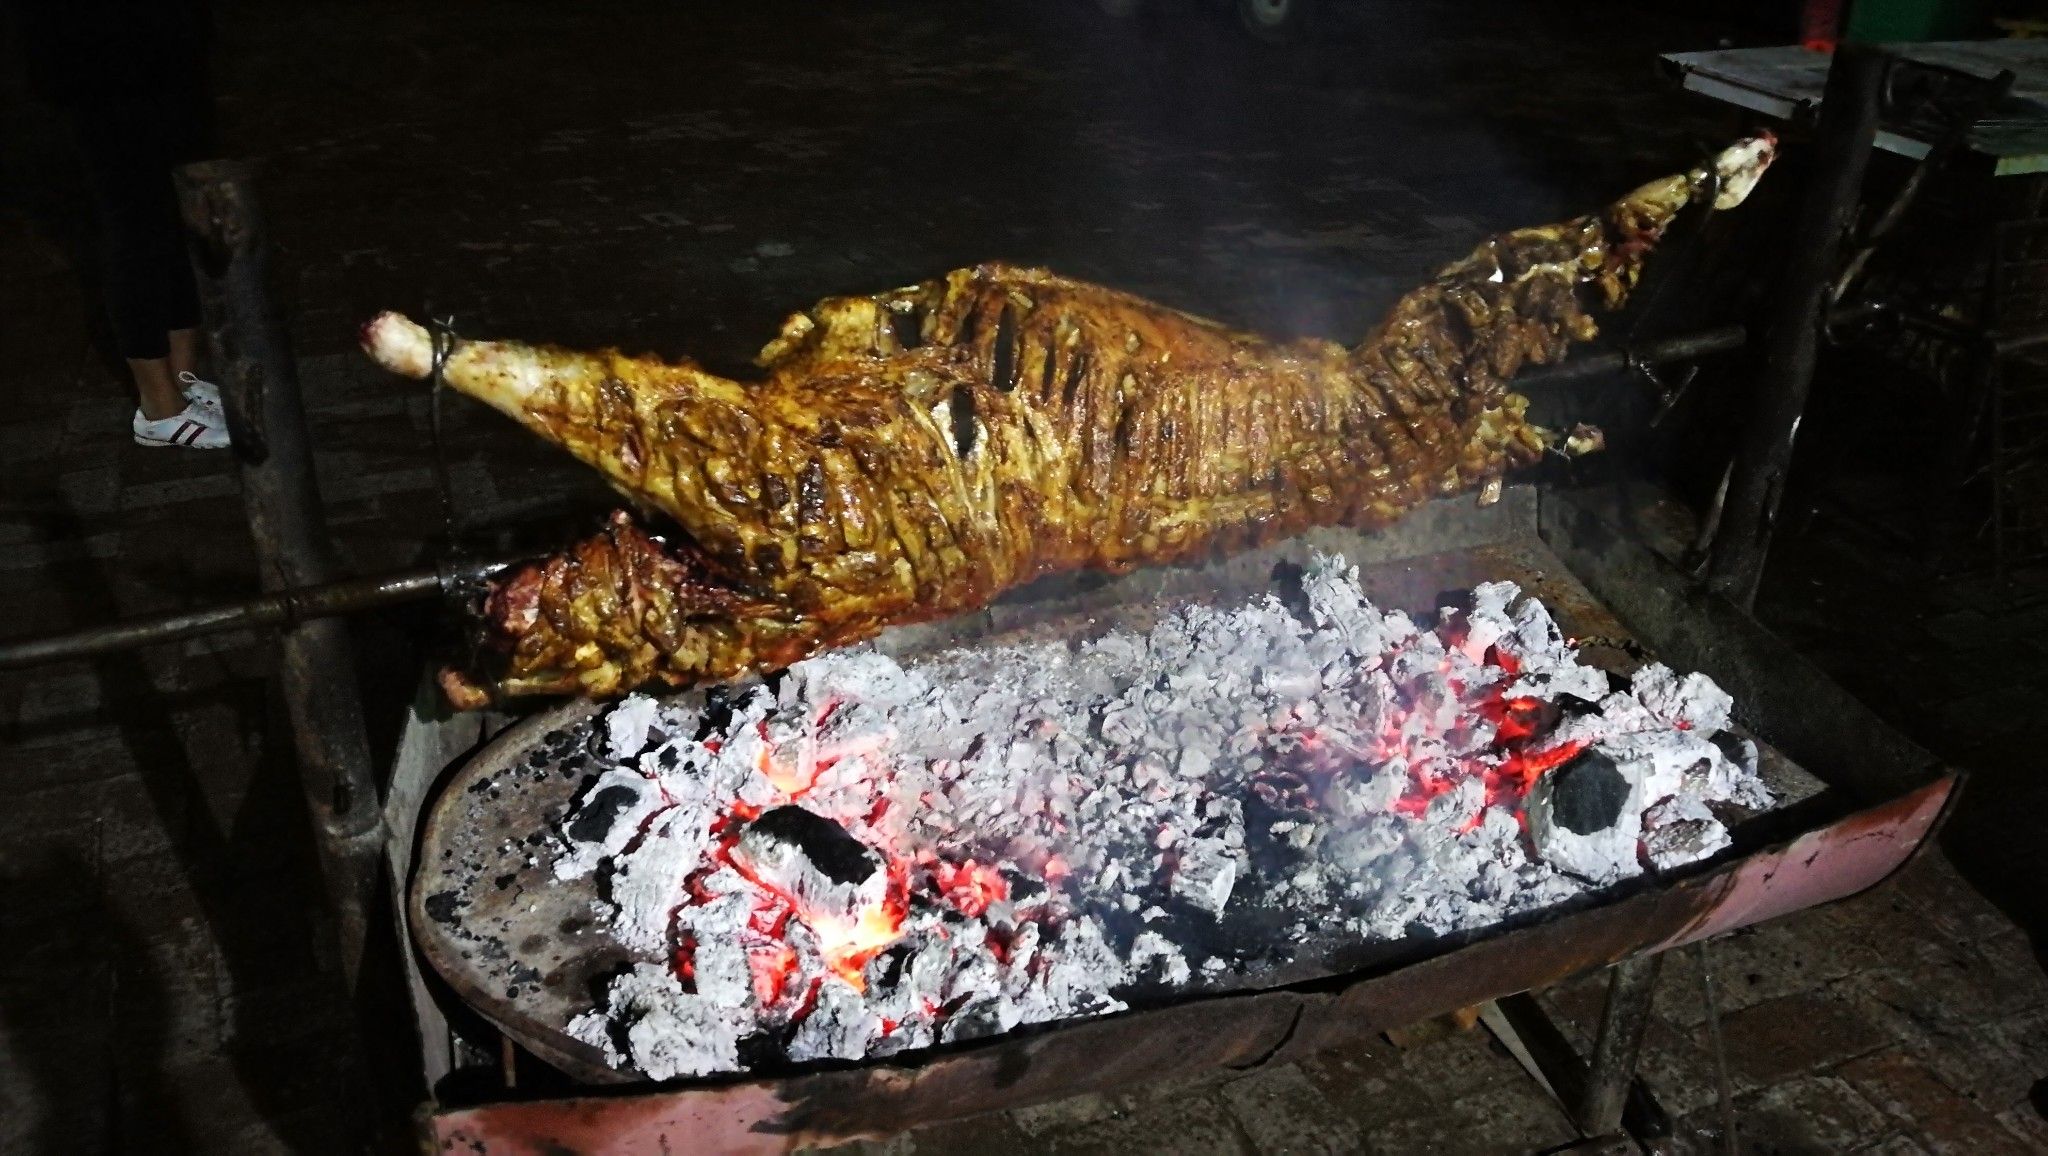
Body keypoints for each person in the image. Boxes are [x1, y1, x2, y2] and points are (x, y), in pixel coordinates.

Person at [12, 0, 230, 448]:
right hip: (95, 56)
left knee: (173, 217)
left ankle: (184, 382)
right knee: (134, 222)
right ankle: (159, 407)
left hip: (158, 43)